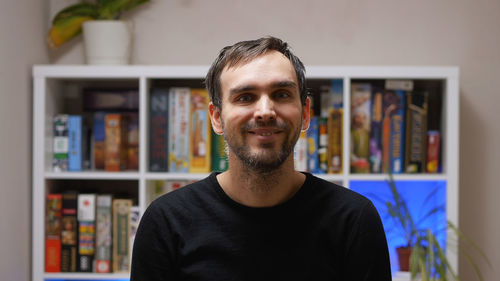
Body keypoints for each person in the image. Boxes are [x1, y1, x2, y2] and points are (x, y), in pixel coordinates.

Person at [130, 36, 392, 281]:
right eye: (245, 97)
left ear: (305, 112)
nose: (265, 111)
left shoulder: (354, 219)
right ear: (217, 118)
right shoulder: (166, 222)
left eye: (281, 94)